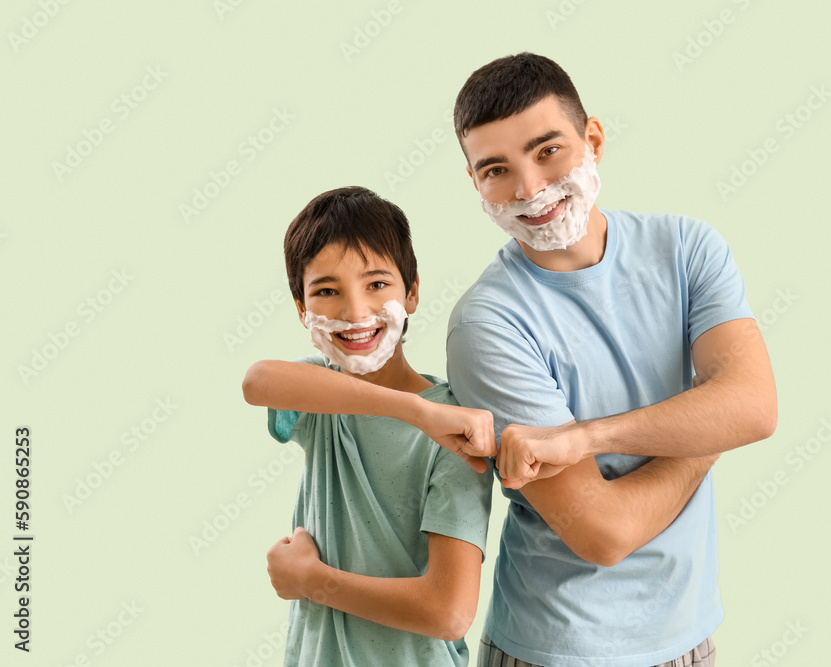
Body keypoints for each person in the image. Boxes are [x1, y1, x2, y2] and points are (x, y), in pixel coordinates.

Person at [446, 53, 778, 667]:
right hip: (556, 649)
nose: (530, 189)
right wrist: (707, 424)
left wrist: (583, 439)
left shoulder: (687, 248)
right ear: (475, 184)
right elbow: (603, 534)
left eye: (547, 151)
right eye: (497, 169)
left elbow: (755, 407)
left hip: (691, 636)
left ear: (592, 139)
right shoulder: (485, 324)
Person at [242, 186, 496, 666]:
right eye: (326, 291)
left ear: (413, 291)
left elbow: (450, 612)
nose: (355, 312)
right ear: (302, 310)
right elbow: (257, 382)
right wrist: (414, 411)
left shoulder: (454, 436)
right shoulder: (321, 397)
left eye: (377, 284)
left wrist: (311, 582)